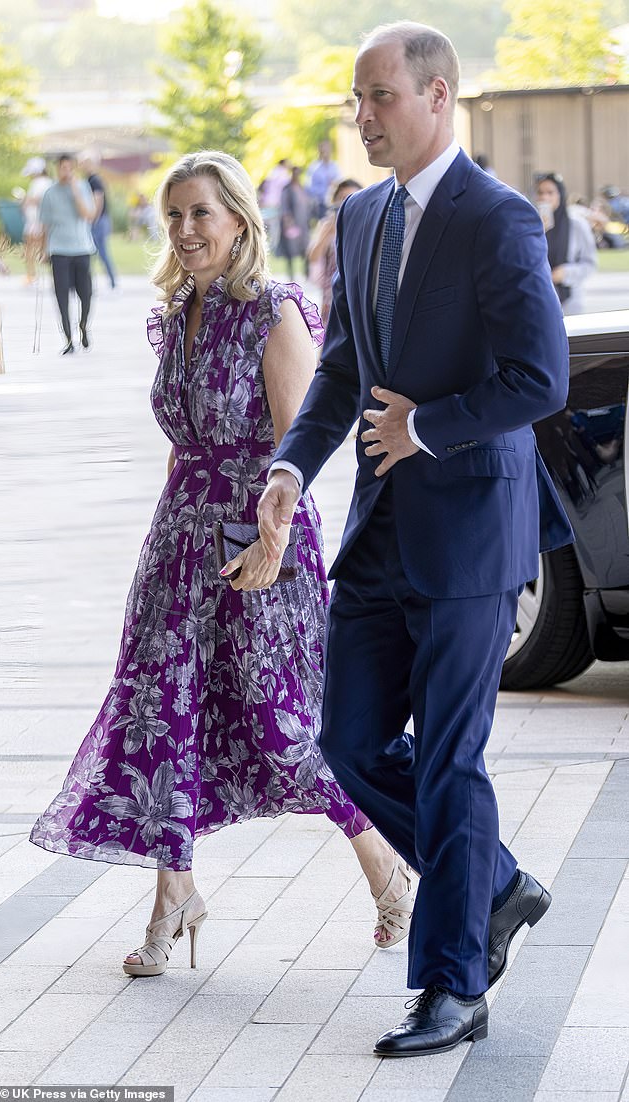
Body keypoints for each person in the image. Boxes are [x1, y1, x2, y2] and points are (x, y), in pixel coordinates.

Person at [257, 22, 573, 1057]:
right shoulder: (361, 222)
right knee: (346, 741)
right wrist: (290, 467)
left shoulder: (498, 221)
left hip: (472, 529)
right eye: (356, 99)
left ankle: (452, 981)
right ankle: (494, 882)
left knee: (448, 762)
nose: (362, 117)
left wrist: (425, 427)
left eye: (379, 96)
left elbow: (540, 379)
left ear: (438, 96)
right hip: (381, 532)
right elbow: (343, 369)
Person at [29, 149, 416, 977]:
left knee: (283, 725)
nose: (185, 229)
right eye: (173, 215)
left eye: (201, 212)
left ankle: (384, 863)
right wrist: (164, 549)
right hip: (178, 543)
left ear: (239, 218)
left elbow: (299, 445)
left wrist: (268, 546)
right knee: (161, 714)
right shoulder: (179, 310)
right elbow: (182, 445)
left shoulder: (274, 310)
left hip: (259, 538)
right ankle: (176, 894)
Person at [39, 154, 95, 355]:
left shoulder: (82, 187)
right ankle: (69, 339)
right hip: (59, 250)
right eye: (62, 167)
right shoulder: (49, 193)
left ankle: (83, 325)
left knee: (86, 295)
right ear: (57, 168)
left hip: (82, 249)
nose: (66, 171)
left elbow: (88, 215)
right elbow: (44, 225)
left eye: (70, 168)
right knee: (61, 296)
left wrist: (75, 191)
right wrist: (44, 250)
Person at [535, 172, 597, 315]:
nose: (545, 197)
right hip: (540, 298)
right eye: (540, 193)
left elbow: (590, 263)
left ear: (560, 195)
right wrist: (539, 231)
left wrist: (566, 272)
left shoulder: (576, 224)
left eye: (550, 193)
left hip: (570, 300)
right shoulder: (532, 224)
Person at [308, 177, 362, 326]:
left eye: (353, 197)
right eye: (342, 199)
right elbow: (313, 257)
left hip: (358, 297)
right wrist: (328, 233)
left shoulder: (366, 224)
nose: (347, 203)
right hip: (331, 298)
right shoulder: (326, 225)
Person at [79, 150, 117, 290]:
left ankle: (113, 284)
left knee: (102, 253)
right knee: (94, 254)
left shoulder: (94, 180)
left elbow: (98, 201)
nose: (81, 165)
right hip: (98, 221)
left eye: (84, 162)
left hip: (98, 221)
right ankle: (89, 284)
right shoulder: (89, 179)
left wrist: (92, 220)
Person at [20, 156, 52, 285]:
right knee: (39, 249)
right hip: (37, 221)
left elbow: (39, 199)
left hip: (37, 221)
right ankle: (33, 276)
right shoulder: (46, 182)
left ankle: (32, 276)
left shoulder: (41, 183)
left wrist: (25, 200)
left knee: (32, 249)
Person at [278, 166, 312, 280]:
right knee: (290, 250)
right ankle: (291, 274)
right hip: (292, 224)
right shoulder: (287, 189)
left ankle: (306, 272)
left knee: (306, 248)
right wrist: (287, 221)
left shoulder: (302, 188)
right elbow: (284, 206)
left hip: (303, 224)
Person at [307, 139, 342, 219]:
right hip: (321, 205)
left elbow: (340, 182)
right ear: (319, 151)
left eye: (328, 149)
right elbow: (309, 188)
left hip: (335, 204)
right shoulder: (313, 168)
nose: (326, 152)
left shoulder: (335, 166)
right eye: (324, 149)